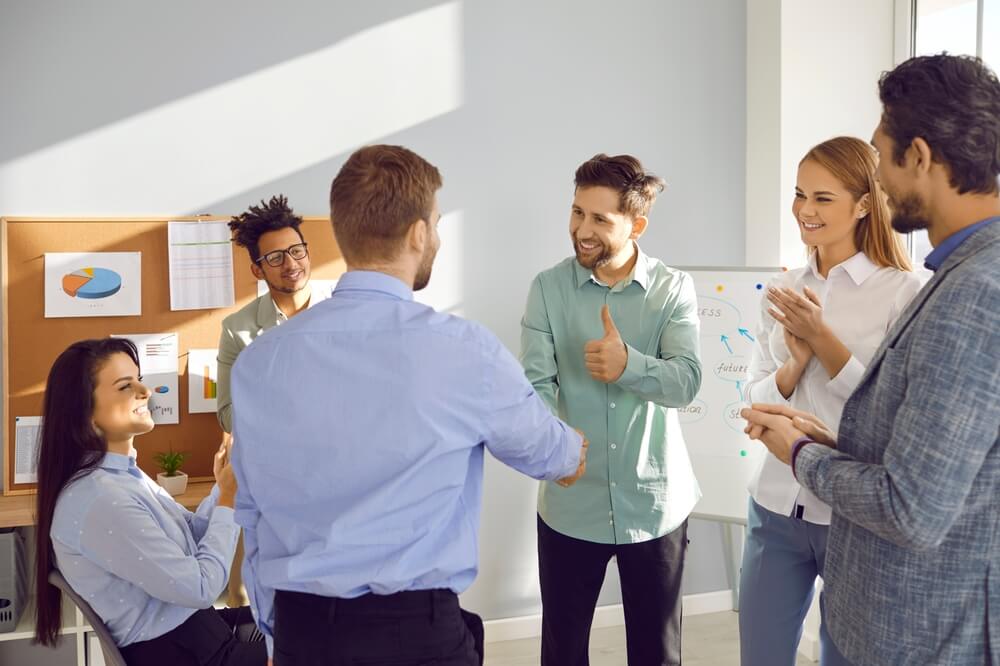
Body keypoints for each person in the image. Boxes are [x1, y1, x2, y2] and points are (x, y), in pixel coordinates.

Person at [230, 144, 588, 666]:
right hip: (415, 638)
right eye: (437, 223)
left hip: (302, 634)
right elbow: (557, 459)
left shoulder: (258, 363)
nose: (436, 236)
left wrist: (276, 631)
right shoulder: (465, 350)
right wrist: (577, 445)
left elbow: (253, 514)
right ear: (419, 233)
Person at [742, 54, 1000, 665]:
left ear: (919, 156)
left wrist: (803, 450)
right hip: (804, 521)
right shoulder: (958, 276)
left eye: (882, 157)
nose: (881, 179)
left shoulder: (971, 292)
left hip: (927, 628)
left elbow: (910, 507)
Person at [738, 136, 922, 665]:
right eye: (799, 194)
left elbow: (891, 411)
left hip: (853, 518)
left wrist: (824, 342)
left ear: (864, 204)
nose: (804, 210)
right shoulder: (782, 287)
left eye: (822, 198)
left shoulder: (905, 292)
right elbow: (753, 395)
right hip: (773, 507)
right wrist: (793, 366)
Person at [521, 153, 701, 665]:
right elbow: (535, 384)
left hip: (655, 501)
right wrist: (552, 450)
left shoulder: (673, 288)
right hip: (570, 502)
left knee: (657, 654)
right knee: (563, 653)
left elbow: (686, 382)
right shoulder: (547, 289)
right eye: (578, 212)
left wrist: (628, 365)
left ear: (637, 224)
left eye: (600, 218)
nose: (582, 229)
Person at [33, 338, 266, 666]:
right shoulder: (101, 500)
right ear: (86, 414)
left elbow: (193, 537)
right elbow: (201, 587)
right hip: (187, 652)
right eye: (126, 386)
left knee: (308, 613)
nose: (146, 391)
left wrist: (221, 486)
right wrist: (227, 498)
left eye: (139, 379)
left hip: (198, 630)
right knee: (329, 643)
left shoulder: (123, 477)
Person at [218, 194, 331, 607]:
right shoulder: (238, 329)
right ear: (257, 268)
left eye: (297, 250)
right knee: (256, 597)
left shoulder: (344, 306)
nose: (292, 263)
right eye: (276, 257)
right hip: (274, 478)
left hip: (341, 473)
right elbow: (229, 415)